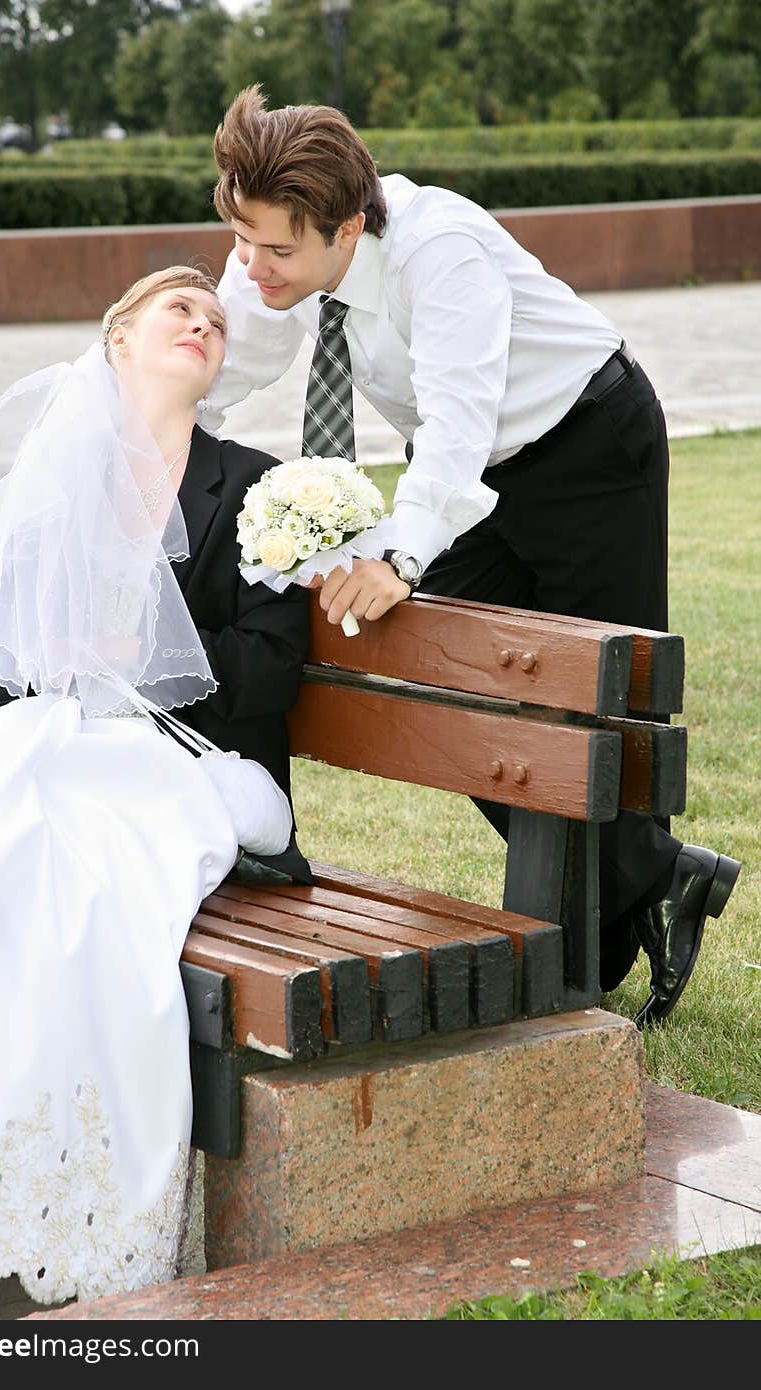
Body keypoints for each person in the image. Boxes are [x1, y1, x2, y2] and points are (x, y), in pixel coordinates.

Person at [203, 85, 741, 1029]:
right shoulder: (278, 245)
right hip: (476, 477)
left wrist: (401, 557)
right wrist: (145, 425)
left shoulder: (437, 249)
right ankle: (654, 877)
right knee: (456, 700)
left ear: (349, 224)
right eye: (241, 240)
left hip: (584, 449)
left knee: (594, 705)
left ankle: (605, 931)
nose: (251, 267)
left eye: (276, 249)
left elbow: (458, 411)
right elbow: (224, 361)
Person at [0, 266, 310, 1308]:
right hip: (50, 733)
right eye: (180, 309)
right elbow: (12, 647)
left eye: (215, 320)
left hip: (171, 759)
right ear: (118, 338)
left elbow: (265, 672)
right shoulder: (62, 470)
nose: (203, 323)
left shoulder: (258, 487)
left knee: (55, 884)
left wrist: (149, 653)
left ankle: (12, 1205)